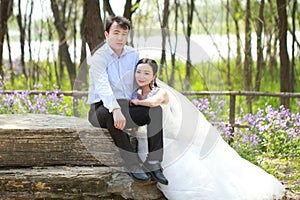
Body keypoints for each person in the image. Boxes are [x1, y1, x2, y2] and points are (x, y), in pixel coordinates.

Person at [131, 58, 285, 200]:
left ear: (154, 75)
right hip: (146, 139)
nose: (142, 76)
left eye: (146, 73)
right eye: (139, 72)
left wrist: (136, 103)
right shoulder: (136, 93)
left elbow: (153, 102)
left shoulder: (161, 92)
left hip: (166, 139)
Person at [87, 16, 168, 185]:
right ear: (107, 34)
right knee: (112, 115)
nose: (120, 38)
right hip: (101, 108)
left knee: (155, 111)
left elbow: (136, 83)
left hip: (125, 105)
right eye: (116, 33)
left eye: (124, 34)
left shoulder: (132, 55)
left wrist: (138, 101)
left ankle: (153, 163)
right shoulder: (99, 57)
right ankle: (132, 164)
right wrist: (116, 110)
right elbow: (103, 87)